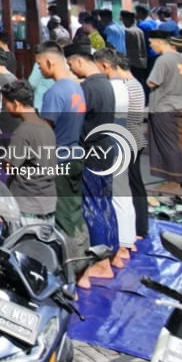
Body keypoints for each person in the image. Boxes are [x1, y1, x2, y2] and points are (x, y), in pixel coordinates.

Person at [69, 46, 118, 287]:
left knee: (93, 207)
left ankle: (101, 262)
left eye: (71, 65)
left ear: (79, 61)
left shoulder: (88, 87)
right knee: (104, 203)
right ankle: (110, 253)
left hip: (92, 151)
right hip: (105, 148)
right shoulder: (105, 83)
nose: (71, 70)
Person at [37, 45, 89, 269]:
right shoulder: (77, 88)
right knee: (75, 212)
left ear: (50, 62)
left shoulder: (54, 93)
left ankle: (74, 266)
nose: (39, 69)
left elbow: (45, 131)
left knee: (63, 216)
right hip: (75, 155)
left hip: (59, 160)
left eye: (39, 64)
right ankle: (83, 257)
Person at [95, 47, 142, 257]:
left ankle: (122, 243)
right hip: (121, 140)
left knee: (117, 194)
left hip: (113, 142)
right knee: (123, 192)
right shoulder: (124, 86)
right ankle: (127, 239)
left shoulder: (111, 88)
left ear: (105, 66)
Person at [0, 76, 57, 229]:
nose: (5, 108)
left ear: (16, 104)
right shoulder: (46, 126)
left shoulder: (23, 131)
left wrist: (3, 161)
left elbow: (9, 166)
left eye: (6, 103)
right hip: (47, 203)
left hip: (27, 206)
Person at [145, 32, 182, 190]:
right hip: (178, 102)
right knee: (180, 142)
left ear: (159, 41)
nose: (151, 46)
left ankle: (173, 180)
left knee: (168, 144)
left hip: (165, 105)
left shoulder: (164, 59)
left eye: (151, 42)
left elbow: (152, 82)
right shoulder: (181, 59)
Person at [121, 10, 149, 82]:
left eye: (123, 20)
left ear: (127, 20)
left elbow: (126, 46)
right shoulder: (140, 30)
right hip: (141, 61)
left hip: (132, 62)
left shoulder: (128, 31)